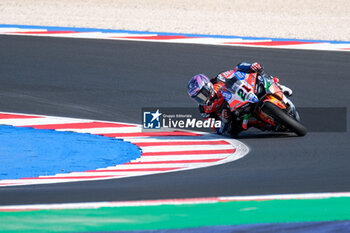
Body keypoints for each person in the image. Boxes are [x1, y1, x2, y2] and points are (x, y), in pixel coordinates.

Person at [187, 62, 292, 136]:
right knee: (232, 132)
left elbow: (237, 70)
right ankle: (267, 123)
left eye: (202, 94)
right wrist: (224, 120)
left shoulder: (218, 79)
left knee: (256, 73)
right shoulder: (204, 110)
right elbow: (217, 128)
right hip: (236, 114)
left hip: (243, 93)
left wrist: (250, 67)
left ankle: (277, 86)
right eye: (198, 98)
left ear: (207, 86)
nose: (202, 99)